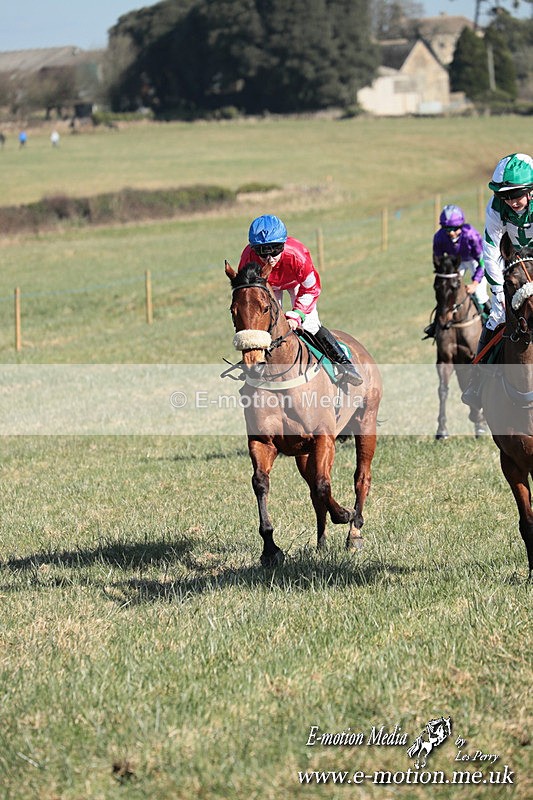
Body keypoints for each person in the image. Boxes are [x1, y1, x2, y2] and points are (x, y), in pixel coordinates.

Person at [238, 214, 363, 386]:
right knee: (267, 324)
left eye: (275, 249)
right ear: (253, 249)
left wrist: (297, 315)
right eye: (262, 251)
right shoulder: (247, 258)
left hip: (298, 284)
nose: (270, 258)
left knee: (310, 325)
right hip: (269, 286)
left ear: (283, 244)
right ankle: (256, 363)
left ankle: (344, 364)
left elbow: (311, 288)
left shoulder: (297, 255)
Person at [462, 152, 533, 408]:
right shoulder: (495, 207)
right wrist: (498, 295)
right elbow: (490, 252)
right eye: (506, 196)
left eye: (516, 195)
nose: (511, 201)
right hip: (511, 261)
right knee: (496, 317)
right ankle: (477, 381)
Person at [423, 204, 490, 339]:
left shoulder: (471, 235)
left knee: (480, 294)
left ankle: (492, 320)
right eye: (447, 229)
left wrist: (475, 283)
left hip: (475, 261)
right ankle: (436, 324)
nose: (451, 233)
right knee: (445, 290)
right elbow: (439, 260)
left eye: (455, 229)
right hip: (455, 262)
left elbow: (482, 262)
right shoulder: (439, 237)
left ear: (461, 225)